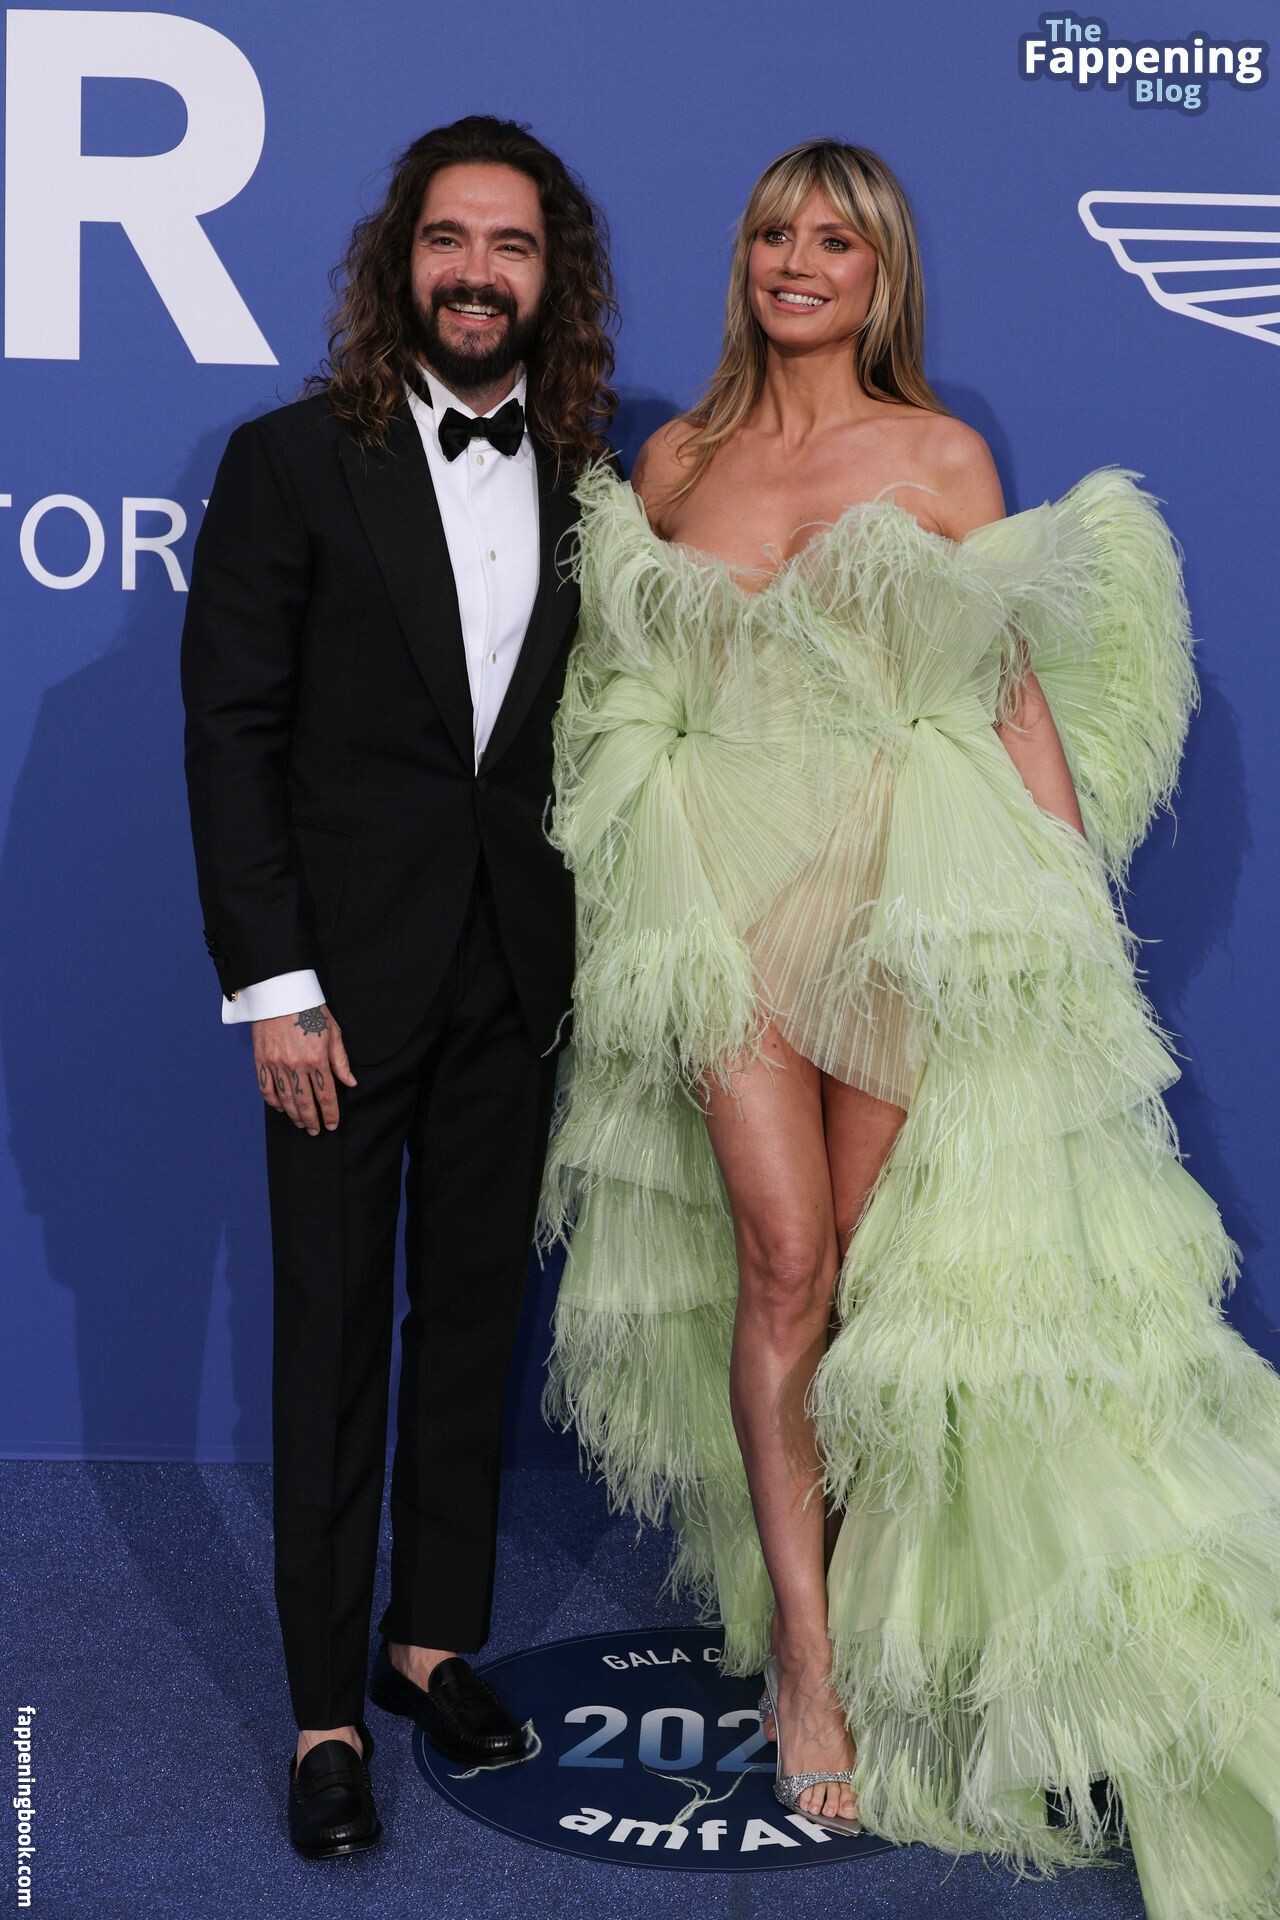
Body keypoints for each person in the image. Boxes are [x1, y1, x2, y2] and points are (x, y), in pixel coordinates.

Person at [538, 138, 1280, 1915]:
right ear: (745, 258)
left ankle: (894, 1635)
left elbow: (1002, 689)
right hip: (719, 899)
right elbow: (624, 688)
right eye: (773, 233)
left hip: (895, 890)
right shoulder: (676, 459)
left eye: (836, 241)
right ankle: (806, 1656)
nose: (798, 262)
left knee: (874, 1279)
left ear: (883, 275)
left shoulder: (941, 455)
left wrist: (1061, 911)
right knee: (781, 1262)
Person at [180, 114, 616, 1857]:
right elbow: (232, 736)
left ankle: (431, 1642)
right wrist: (276, 986)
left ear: (550, 277)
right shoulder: (291, 462)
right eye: (450, 240)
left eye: (511, 246)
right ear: (399, 261)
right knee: (332, 1337)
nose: (476, 274)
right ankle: (321, 1717)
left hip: (516, 973)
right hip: (337, 996)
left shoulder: (594, 480)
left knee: (472, 1325)